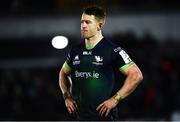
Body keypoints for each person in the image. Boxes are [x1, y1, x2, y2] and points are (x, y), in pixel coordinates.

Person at [59, 5, 143, 120]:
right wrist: (67, 97)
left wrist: (115, 99)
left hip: (104, 117)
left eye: (88, 22)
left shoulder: (112, 50)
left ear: (99, 26)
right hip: (80, 117)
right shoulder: (75, 50)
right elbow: (63, 73)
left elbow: (136, 75)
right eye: (82, 22)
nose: (83, 26)